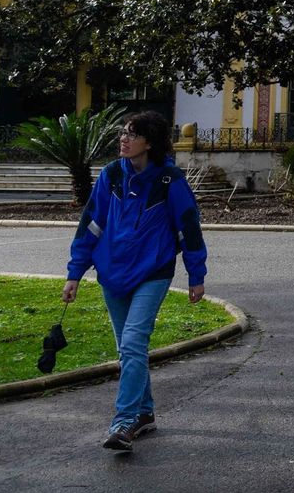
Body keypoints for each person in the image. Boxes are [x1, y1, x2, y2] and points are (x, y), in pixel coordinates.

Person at [63, 110, 208, 452]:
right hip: (112, 273)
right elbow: (91, 225)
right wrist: (75, 273)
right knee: (128, 348)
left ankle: (124, 421)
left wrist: (196, 274)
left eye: (132, 134)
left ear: (150, 142)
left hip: (153, 272)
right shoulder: (111, 175)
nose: (124, 139)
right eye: (123, 133)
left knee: (131, 343)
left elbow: (189, 227)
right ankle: (144, 412)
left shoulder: (170, 180)